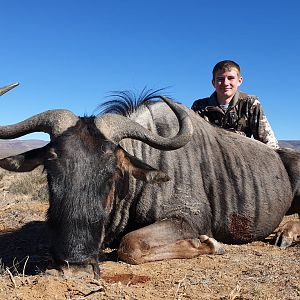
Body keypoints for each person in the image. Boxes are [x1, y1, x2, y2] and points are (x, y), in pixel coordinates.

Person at [191, 60, 279, 149]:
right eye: (220, 79)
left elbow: (269, 144)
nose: (225, 83)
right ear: (213, 82)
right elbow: (192, 140)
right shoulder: (199, 106)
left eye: (230, 78)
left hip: (242, 157)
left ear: (239, 81)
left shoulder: (250, 103)